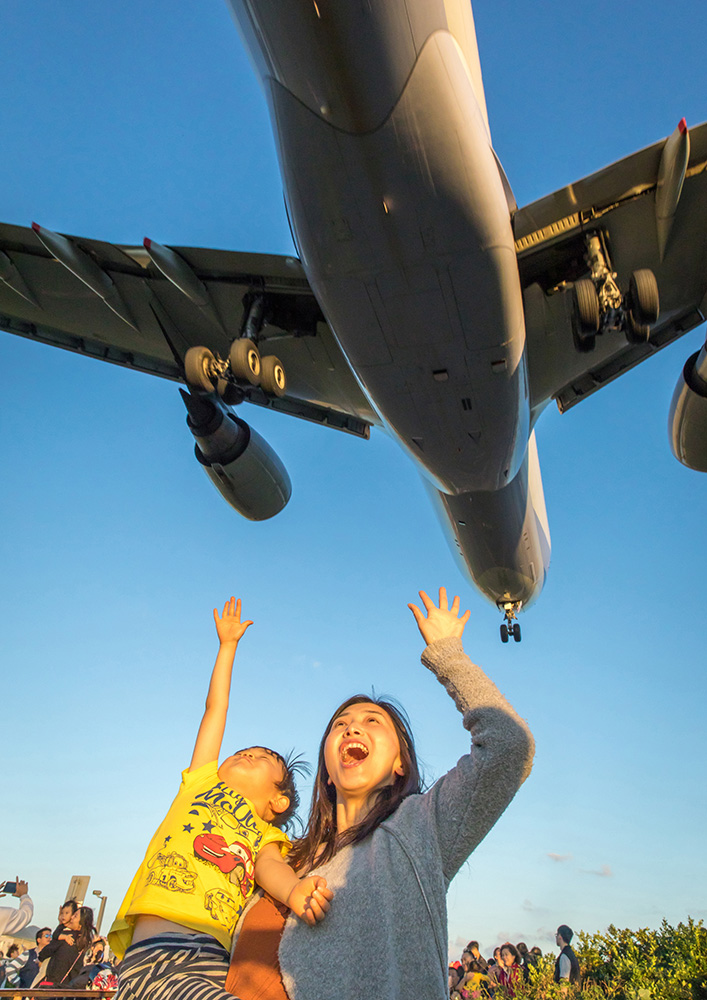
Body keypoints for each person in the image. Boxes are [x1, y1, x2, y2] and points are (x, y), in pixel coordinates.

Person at [227, 586, 535, 1000]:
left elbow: (509, 747)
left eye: (372, 721)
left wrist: (449, 655)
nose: (352, 727)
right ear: (327, 773)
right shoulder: (282, 857)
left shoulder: (420, 829)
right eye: (340, 724)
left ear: (399, 765)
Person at [107, 596, 333, 1000]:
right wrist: (227, 647)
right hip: (146, 956)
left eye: (264, 758)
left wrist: (295, 892)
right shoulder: (200, 783)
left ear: (278, 802)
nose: (248, 754)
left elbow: (269, 869)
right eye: (243, 751)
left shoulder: (264, 834)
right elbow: (215, 709)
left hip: (206, 958)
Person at [39, 905, 96, 987]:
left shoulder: (67, 937)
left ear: (81, 924)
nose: (71, 917)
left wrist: (62, 925)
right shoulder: (86, 944)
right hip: (70, 989)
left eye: (75, 916)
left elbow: (43, 954)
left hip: (54, 986)